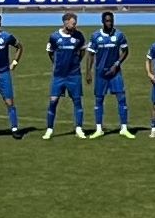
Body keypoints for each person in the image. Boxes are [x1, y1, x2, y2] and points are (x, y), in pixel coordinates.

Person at [44, 11, 89, 140]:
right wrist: (57, 64)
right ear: (65, 22)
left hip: (74, 75)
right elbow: (50, 52)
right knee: (53, 101)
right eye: (73, 23)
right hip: (59, 76)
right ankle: (49, 129)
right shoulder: (54, 37)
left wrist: (76, 63)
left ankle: (79, 128)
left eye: (76, 23)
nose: (75, 26)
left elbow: (82, 51)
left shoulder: (79, 36)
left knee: (77, 101)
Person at [90, 10, 133, 138]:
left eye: (111, 21)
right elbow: (90, 54)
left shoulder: (119, 35)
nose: (110, 23)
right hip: (100, 73)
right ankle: (99, 129)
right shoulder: (96, 36)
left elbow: (125, 51)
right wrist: (88, 72)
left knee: (121, 98)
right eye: (107, 21)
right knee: (99, 100)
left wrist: (117, 64)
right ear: (102, 21)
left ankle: (124, 128)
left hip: (115, 73)